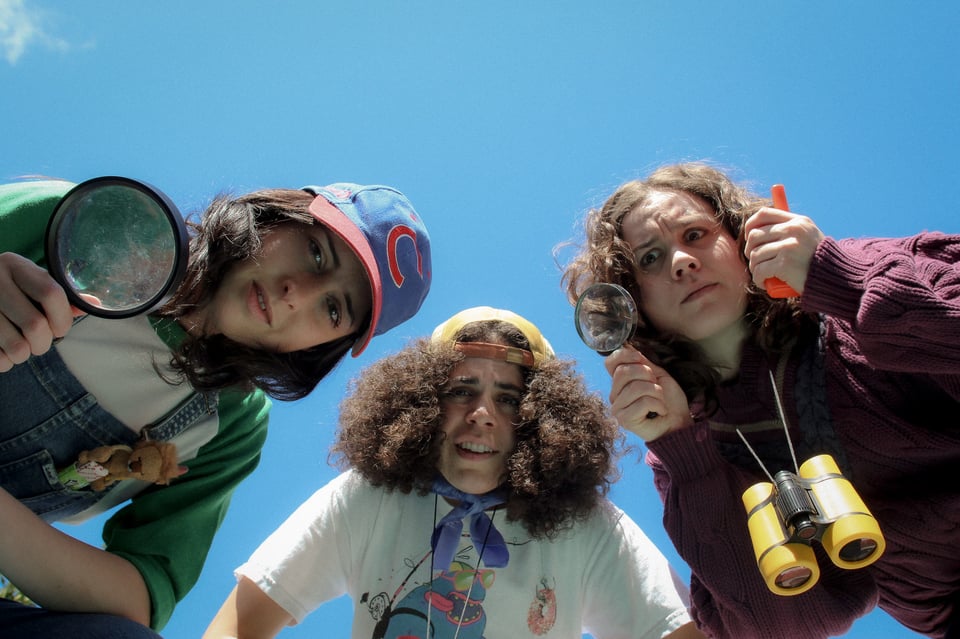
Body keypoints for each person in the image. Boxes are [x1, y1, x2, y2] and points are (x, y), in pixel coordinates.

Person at [0, 177, 432, 638]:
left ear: (323, 347)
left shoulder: (233, 426)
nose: (297, 293)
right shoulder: (88, 216)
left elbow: (140, 594)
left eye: (332, 309)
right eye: (316, 252)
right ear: (274, 214)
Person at [561, 161, 960, 639]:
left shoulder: (858, 278)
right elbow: (783, 624)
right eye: (650, 258)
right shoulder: (684, 448)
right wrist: (683, 450)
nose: (682, 262)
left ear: (743, 236)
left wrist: (839, 276)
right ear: (633, 305)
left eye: (695, 234)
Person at [202, 306, 704, 639]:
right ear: (420, 402)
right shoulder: (367, 497)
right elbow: (238, 626)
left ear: (543, 420)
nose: (482, 413)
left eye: (509, 399)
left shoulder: (589, 526)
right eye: (461, 390)